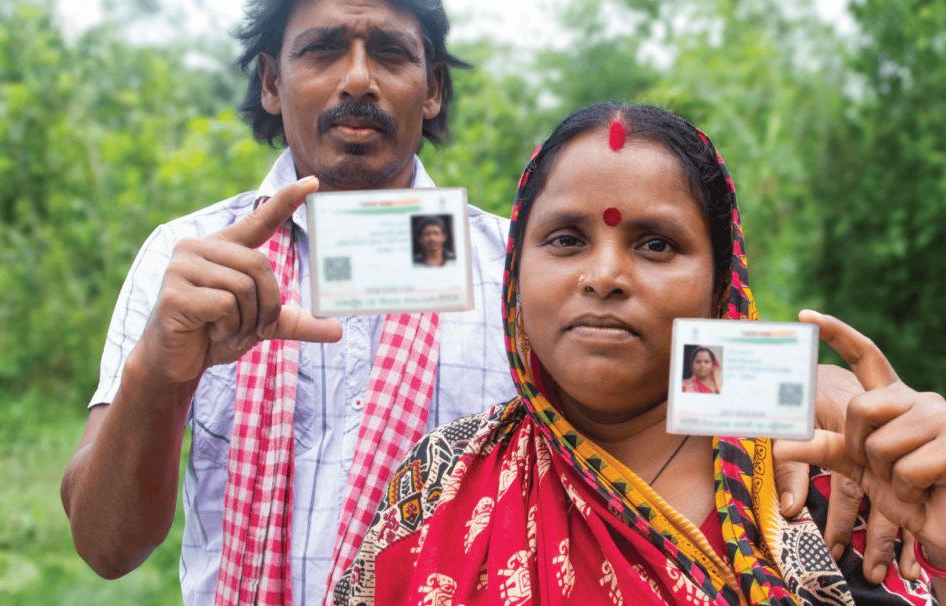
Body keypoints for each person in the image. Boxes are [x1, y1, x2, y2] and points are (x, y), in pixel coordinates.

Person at [57, 0, 910, 602]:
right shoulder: (188, 266)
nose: (358, 78)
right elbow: (106, 547)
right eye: (321, 49)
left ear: (430, 90)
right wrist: (160, 373)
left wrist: (833, 397)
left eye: (391, 53)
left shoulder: (526, 271)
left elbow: (705, 388)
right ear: (272, 82)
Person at [334, 103, 946, 604]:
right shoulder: (444, 478)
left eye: (656, 244)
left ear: (719, 290)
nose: (604, 275)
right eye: (567, 239)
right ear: (516, 281)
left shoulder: (824, 472)